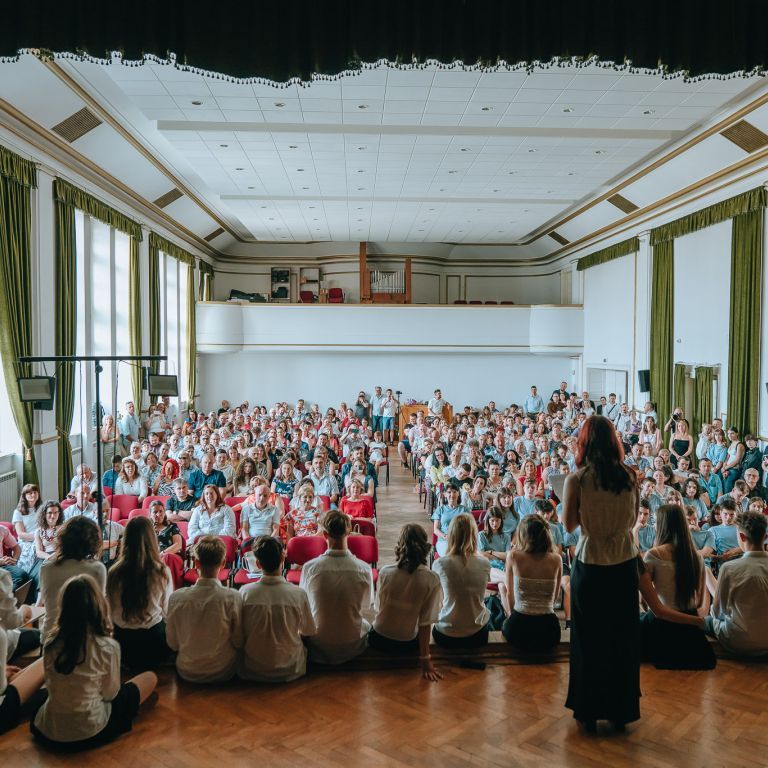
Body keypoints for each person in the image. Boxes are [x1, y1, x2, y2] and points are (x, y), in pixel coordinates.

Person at [563, 415, 640, 731]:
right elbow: (633, 520)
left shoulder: (578, 479)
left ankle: (588, 710)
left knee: (588, 639)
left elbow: (569, 525)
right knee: (622, 637)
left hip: (591, 562)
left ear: (584, 443)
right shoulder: (629, 476)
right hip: (623, 561)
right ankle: (621, 710)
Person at [31, 575, 157, 750]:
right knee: (150, 678)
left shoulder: (51, 643)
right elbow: (111, 694)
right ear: (98, 605)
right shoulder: (107, 647)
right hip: (91, 729)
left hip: (51, 729)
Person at [640, 505, 715, 670]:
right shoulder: (696, 557)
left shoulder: (653, 554)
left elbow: (645, 602)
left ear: (662, 525)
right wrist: (697, 620)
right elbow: (700, 601)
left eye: (656, 522)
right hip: (690, 628)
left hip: (663, 625)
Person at [368, 524, 442, 681]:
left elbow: (378, 607)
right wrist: (425, 660)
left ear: (400, 544)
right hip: (406, 644)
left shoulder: (385, 572)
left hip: (378, 638)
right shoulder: (431, 579)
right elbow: (425, 622)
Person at [239, 535, 316, 682]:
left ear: (258, 564)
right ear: (282, 558)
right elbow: (309, 630)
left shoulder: (245, 592)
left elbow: (239, 633)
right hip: (291, 668)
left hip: (253, 668)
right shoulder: (298, 593)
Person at [166, 535, 242, 683]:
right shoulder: (233, 597)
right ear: (223, 563)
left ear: (196, 563)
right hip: (223, 670)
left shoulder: (176, 597)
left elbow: (172, 643)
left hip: (187, 669)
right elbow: (238, 641)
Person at [300, 511, 373, 664]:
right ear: (349, 531)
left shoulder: (310, 568)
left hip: (319, 645)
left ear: (325, 535)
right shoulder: (364, 568)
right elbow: (366, 606)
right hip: (352, 646)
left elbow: (304, 605)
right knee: (367, 623)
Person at [106, 516, 173, 672]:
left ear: (126, 540)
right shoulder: (161, 571)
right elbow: (166, 611)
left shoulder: (114, 572)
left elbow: (110, 611)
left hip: (122, 643)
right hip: (153, 641)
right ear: (152, 539)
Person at [705, 510, 768, 656]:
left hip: (739, 641)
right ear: (765, 537)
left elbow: (718, 612)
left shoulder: (729, 568)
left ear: (741, 537)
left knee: (706, 621)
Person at [39, 517, 106, 641]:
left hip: (50, 637)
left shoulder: (46, 567)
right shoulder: (97, 568)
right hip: (84, 638)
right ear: (92, 541)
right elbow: (99, 608)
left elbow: (46, 600)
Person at [501, 515, 562, 652]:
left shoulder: (514, 556)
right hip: (549, 630)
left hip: (520, 625)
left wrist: (512, 618)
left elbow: (509, 594)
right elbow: (555, 596)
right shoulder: (557, 559)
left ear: (523, 535)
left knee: (506, 627)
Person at [431, 513, 491, 648]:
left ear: (451, 535)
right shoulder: (484, 563)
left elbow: (439, 602)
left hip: (447, 634)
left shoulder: (440, 564)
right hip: (477, 634)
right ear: (473, 535)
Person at [431, 483, 468, 557]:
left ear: (458, 494)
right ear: (444, 494)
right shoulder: (440, 509)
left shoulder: (464, 510)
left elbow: (468, 528)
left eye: (454, 492)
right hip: (444, 541)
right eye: (449, 492)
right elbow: (435, 530)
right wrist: (445, 536)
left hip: (461, 541)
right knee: (451, 555)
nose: (452, 494)